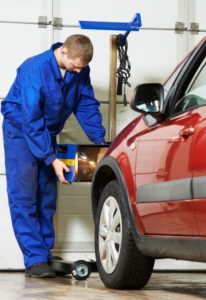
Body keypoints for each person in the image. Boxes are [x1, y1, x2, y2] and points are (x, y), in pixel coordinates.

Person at [1, 34, 106, 278]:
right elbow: (31, 119)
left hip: (46, 134)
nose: (79, 71)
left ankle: (44, 252)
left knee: (47, 196)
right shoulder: (33, 69)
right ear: (63, 52)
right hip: (21, 133)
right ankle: (34, 259)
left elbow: (86, 104)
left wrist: (101, 141)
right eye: (75, 66)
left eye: (83, 68)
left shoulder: (79, 70)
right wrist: (51, 157)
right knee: (24, 196)